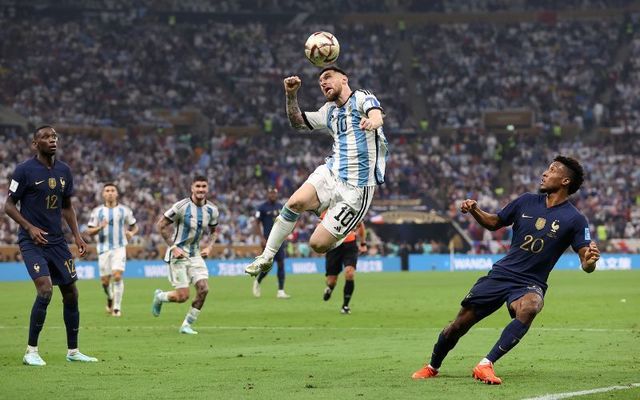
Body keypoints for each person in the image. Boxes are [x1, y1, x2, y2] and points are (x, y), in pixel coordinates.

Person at [411, 156, 601, 384]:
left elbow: (586, 262)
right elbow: (495, 222)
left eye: (551, 170)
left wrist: (589, 262)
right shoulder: (526, 201)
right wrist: (474, 210)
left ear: (565, 181)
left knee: (531, 307)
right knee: (459, 325)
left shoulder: (575, 219)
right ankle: (433, 366)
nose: (544, 173)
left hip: (530, 282)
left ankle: (485, 364)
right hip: (502, 274)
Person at [245, 66, 389, 276]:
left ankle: (342, 230)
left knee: (318, 244)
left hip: (357, 189)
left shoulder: (362, 97)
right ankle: (267, 256)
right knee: (294, 203)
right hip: (331, 172)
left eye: (328, 77)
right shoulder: (328, 111)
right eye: (320, 81)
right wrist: (291, 95)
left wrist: (372, 122)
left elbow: (377, 115)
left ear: (344, 79)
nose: (323, 83)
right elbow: (298, 123)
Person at [4, 125, 97, 366]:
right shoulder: (24, 170)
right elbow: (9, 206)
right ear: (36, 144)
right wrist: (29, 227)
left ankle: (73, 351)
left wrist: (77, 236)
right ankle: (31, 352)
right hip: (33, 241)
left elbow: (67, 206)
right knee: (45, 290)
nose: (52, 140)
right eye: (46, 137)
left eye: (54, 136)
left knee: (71, 293)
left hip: (57, 241)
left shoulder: (65, 171)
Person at [152, 176, 219, 335]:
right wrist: (173, 247)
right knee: (183, 297)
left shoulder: (212, 210)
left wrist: (209, 247)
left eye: (204, 186)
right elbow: (161, 225)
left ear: (207, 188)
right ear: (192, 188)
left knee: (203, 289)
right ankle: (160, 297)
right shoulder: (181, 206)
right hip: (178, 255)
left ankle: (186, 325)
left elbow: (214, 231)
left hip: (195, 254)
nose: (201, 189)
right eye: (198, 186)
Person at [85, 183, 138, 317]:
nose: (110, 193)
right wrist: (100, 227)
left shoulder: (124, 210)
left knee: (118, 276)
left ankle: (116, 308)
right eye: (107, 191)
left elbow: (134, 226)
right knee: (105, 282)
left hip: (119, 247)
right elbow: (89, 231)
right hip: (103, 249)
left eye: (112, 190)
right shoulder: (97, 211)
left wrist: (131, 234)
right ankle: (110, 298)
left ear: (117, 193)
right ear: (103, 194)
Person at [322, 217, 367, 314]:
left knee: (349, 273)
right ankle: (330, 288)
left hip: (350, 245)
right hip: (333, 246)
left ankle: (345, 305)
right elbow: (321, 227)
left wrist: (363, 243)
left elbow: (360, 225)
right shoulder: (328, 209)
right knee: (331, 281)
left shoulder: (352, 208)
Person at [252, 187, 290, 299]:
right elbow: (256, 223)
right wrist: (261, 238)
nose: (272, 195)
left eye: (274, 193)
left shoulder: (280, 207)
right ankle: (258, 281)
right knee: (268, 265)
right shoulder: (262, 208)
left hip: (280, 240)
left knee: (281, 263)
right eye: (270, 193)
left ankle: (281, 291)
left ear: (276, 194)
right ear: (267, 194)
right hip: (267, 240)